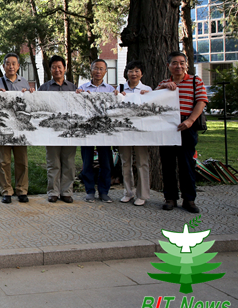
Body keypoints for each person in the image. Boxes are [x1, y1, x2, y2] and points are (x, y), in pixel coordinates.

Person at [156, 51, 207, 213]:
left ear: (186, 64)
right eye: (174, 63)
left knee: (187, 164)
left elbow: (201, 101)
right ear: (168, 66)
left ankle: (189, 199)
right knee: (168, 164)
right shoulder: (164, 83)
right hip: (167, 128)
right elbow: (152, 100)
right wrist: (163, 87)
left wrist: (190, 120)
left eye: (181, 63)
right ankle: (170, 198)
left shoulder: (195, 81)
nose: (178, 66)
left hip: (187, 126)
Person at [0, 53, 35, 204]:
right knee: (4, 161)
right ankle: (6, 191)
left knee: (22, 161)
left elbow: (29, 105)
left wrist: (31, 94)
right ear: (3, 66)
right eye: (8, 63)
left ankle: (22, 190)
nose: (11, 66)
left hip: (20, 129)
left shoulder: (24, 83)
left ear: (18, 66)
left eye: (14, 63)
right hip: (3, 128)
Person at [76, 59, 117, 203]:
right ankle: (90, 191)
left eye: (101, 69)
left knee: (105, 162)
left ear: (105, 71)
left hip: (104, 132)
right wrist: (78, 95)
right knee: (87, 162)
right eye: (95, 68)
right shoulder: (82, 88)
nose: (98, 71)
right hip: (87, 131)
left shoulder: (111, 90)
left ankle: (104, 192)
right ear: (91, 70)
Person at [38, 55, 77, 203]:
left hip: (69, 132)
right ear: (50, 70)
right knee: (53, 162)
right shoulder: (44, 88)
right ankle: (53, 191)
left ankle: (66, 192)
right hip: (51, 132)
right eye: (54, 67)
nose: (57, 70)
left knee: (69, 162)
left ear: (65, 68)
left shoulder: (73, 88)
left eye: (59, 67)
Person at [116, 60, 152, 206]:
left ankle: (142, 194)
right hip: (124, 130)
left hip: (141, 131)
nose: (134, 74)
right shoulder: (120, 88)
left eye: (137, 71)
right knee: (125, 162)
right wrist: (117, 96)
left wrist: (148, 97)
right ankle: (128, 192)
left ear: (141, 74)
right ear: (127, 73)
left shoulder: (147, 89)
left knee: (142, 162)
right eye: (131, 71)